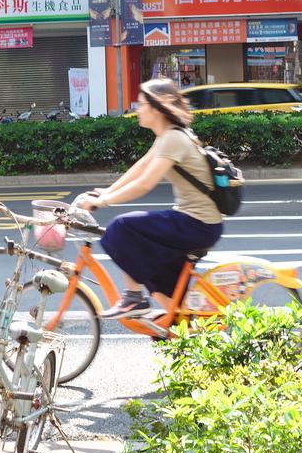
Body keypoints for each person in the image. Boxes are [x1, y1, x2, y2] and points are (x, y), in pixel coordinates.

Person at [74, 78, 223, 319]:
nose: (137, 109)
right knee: (152, 268)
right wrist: (106, 192)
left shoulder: (174, 138)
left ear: (156, 107)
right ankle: (178, 321)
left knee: (122, 228)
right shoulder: (167, 136)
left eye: (141, 104)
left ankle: (134, 298)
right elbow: (140, 167)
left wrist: (104, 202)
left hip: (197, 224)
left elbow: (145, 182)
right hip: (196, 222)